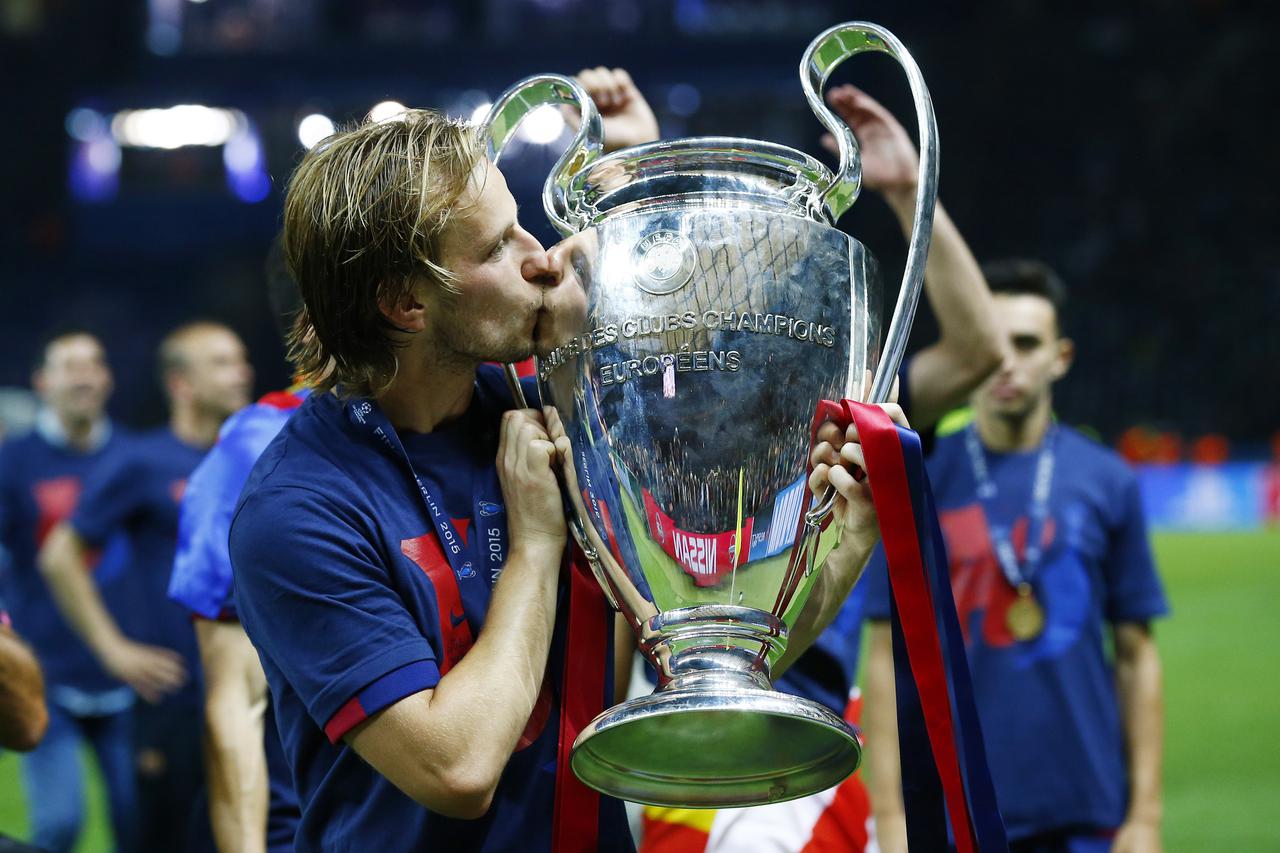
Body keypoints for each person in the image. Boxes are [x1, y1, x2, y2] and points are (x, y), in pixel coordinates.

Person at [228, 69, 898, 851]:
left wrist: (850, 540)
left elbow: (688, 680)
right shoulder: (298, 509)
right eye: (495, 247)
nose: (537, 257)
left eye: (520, 225)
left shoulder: (537, 411)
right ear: (405, 304)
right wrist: (538, 545)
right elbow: (459, 770)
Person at [638, 84, 1006, 852]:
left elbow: (978, 352)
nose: (731, 281)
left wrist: (909, 194)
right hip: (665, 748)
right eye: (712, 260)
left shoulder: (835, 401)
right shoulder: (636, 408)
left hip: (807, 749)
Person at [861, 261, 1168, 853]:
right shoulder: (916, 476)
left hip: (1083, 814)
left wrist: (1146, 817)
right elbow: (882, 657)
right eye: (992, 343)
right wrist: (890, 816)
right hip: (957, 813)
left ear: (1061, 356)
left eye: (1026, 344)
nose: (1007, 362)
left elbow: (1136, 657)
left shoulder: (1107, 481)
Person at [40, 321, 253, 852]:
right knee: (159, 837)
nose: (242, 373)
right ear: (181, 383)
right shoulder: (141, 461)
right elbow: (59, 555)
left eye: (241, 360)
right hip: (172, 693)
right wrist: (114, 650)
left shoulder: (250, 457)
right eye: (222, 362)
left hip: (248, 689)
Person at [0, 330, 138, 852]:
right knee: (58, 823)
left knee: (139, 823)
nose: (84, 375)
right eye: (69, 365)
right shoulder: (13, 462)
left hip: (129, 674)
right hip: (46, 672)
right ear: (41, 382)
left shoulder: (133, 457)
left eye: (94, 363)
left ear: (107, 378)